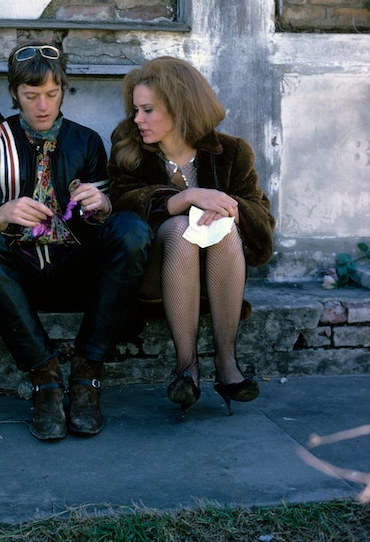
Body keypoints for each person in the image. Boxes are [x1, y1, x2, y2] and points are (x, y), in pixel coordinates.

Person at [0, 42, 152, 440]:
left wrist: (101, 205)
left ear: (64, 90)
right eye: (31, 96)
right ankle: (45, 377)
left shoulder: (86, 142)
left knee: (132, 228)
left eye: (52, 94)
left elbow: (101, 226)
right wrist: (2, 213)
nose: (42, 106)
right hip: (18, 269)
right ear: (14, 94)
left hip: (74, 266)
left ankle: (87, 373)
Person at [108, 57, 275, 418]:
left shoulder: (231, 152)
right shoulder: (129, 146)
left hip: (217, 275)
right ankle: (187, 367)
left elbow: (263, 235)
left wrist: (229, 207)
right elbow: (120, 206)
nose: (138, 119)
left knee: (226, 227)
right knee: (181, 228)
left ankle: (227, 363)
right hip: (156, 275)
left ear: (180, 107)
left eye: (148, 109)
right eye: (136, 109)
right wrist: (184, 199)